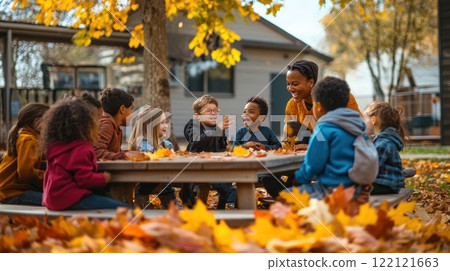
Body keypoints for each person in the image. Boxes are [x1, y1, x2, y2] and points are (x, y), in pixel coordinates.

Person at [291, 76, 377, 200]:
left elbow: (313, 165)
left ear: (319, 106)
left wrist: (299, 178)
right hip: (358, 188)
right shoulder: (356, 126)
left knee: (286, 195)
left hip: (332, 190)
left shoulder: (323, 129)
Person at [42, 100, 129, 210]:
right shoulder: (81, 148)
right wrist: (103, 178)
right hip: (71, 199)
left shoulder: (55, 147)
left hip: (53, 199)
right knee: (126, 209)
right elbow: (84, 179)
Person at [283, 60, 360, 150]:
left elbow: (355, 133)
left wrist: (310, 147)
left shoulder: (339, 97)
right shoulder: (292, 105)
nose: (290, 88)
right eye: (288, 84)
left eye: (295, 84)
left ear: (310, 82)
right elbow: (287, 140)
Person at [181, 94, 236, 209]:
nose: (214, 114)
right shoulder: (193, 124)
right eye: (209, 111)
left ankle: (225, 204)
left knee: (224, 175)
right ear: (198, 116)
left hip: (214, 165)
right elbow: (197, 141)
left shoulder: (218, 127)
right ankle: (188, 198)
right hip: (193, 166)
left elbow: (222, 147)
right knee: (210, 175)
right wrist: (218, 129)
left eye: (216, 111)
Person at [128, 107, 181, 208]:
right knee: (163, 178)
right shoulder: (142, 145)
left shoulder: (167, 144)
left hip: (165, 176)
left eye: (166, 122)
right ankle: (168, 201)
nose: (166, 125)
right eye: (162, 122)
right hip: (146, 179)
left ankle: (180, 200)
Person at [0, 103, 49, 205]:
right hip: (12, 193)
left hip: (10, 191)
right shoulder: (28, 139)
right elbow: (26, 173)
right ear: (37, 122)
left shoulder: (29, 136)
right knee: (56, 200)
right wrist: (49, 177)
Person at [363, 101, 406, 194]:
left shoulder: (383, 143)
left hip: (385, 186)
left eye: (364, 119)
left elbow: (371, 168)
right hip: (387, 184)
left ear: (373, 120)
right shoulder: (384, 140)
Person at [94, 87, 134, 160]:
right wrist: (124, 156)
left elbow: (113, 152)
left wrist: (129, 153)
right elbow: (96, 151)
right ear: (122, 109)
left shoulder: (115, 127)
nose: (132, 114)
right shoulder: (106, 124)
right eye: (131, 109)